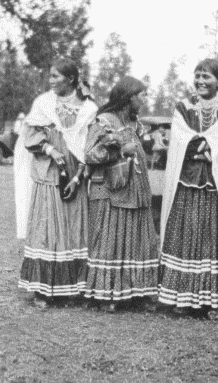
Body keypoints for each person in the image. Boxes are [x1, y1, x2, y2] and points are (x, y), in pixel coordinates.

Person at [158, 59, 218, 321]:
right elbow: (180, 139)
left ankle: (217, 298)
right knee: (187, 232)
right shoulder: (184, 107)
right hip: (188, 180)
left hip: (217, 182)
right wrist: (204, 146)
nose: (201, 81)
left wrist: (203, 145)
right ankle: (183, 296)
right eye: (198, 76)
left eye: (207, 77)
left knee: (215, 235)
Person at [17, 58, 98, 308]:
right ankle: (43, 289)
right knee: (47, 227)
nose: (51, 81)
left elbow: (91, 145)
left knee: (74, 227)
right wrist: (52, 150)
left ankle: (70, 288)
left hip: (76, 173)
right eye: (50, 76)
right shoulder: (43, 104)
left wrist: (79, 175)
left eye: (56, 77)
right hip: (49, 172)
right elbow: (30, 135)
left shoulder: (88, 108)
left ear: (71, 79)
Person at [83, 76, 158, 313]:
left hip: (135, 190)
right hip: (111, 191)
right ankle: (108, 295)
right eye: (142, 95)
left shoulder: (135, 124)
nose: (145, 100)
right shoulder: (105, 121)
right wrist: (117, 151)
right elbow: (89, 154)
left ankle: (137, 293)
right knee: (111, 241)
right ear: (128, 97)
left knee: (137, 240)